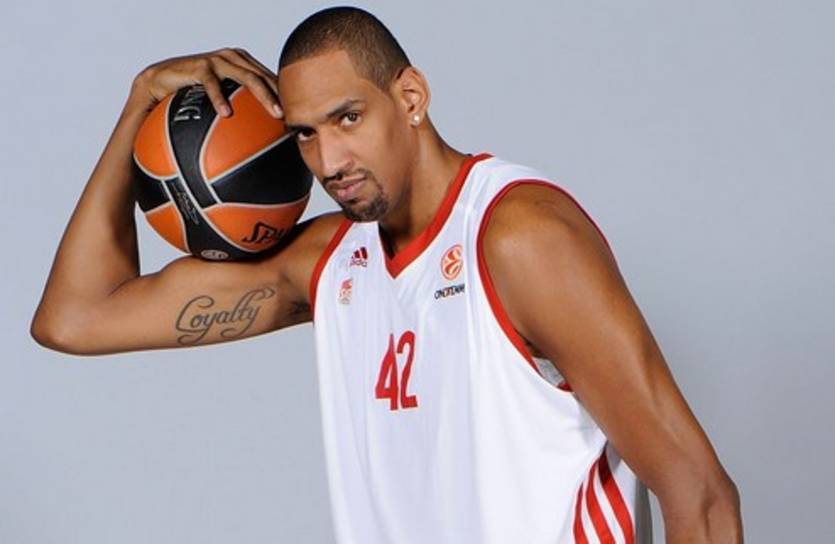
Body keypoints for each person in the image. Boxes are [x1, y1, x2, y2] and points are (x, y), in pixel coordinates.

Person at [31, 6, 742, 543]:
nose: (329, 160)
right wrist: (139, 103)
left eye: (347, 118)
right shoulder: (331, 260)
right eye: (305, 133)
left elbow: (700, 496)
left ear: (410, 97)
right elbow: (76, 317)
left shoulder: (519, 238)